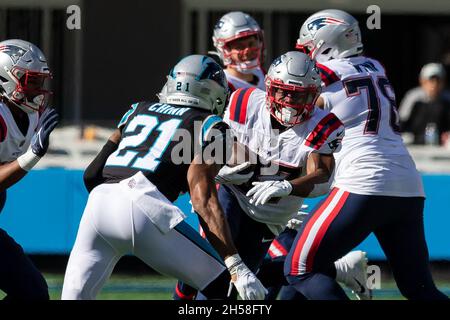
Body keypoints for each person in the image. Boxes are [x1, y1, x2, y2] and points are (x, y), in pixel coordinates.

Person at [61, 54, 267, 300]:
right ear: (216, 94)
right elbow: (203, 199)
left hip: (98, 204)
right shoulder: (212, 125)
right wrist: (235, 264)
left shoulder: (136, 110)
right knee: (232, 291)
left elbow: (91, 173)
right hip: (143, 205)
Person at [283, 9, 449, 300]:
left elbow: (292, 99)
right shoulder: (375, 66)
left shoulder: (324, 74)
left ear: (326, 44)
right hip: (408, 184)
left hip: (363, 181)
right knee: (419, 288)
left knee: (299, 268)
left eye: (309, 46)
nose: (305, 54)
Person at [0, 39, 59, 300]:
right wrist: (32, 156)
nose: (37, 89)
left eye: (39, 81)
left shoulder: (30, 115)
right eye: (30, 80)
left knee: (32, 291)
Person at [212, 11, 266, 92]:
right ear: (224, 50)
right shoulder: (221, 86)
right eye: (240, 47)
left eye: (251, 44)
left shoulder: (264, 75)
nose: (247, 50)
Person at [400, 63, 450, 145]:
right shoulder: (413, 97)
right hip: (414, 146)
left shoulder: (447, 99)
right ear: (422, 81)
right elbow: (401, 123)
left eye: (438, 81)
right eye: (431, 80)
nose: (435, 85)